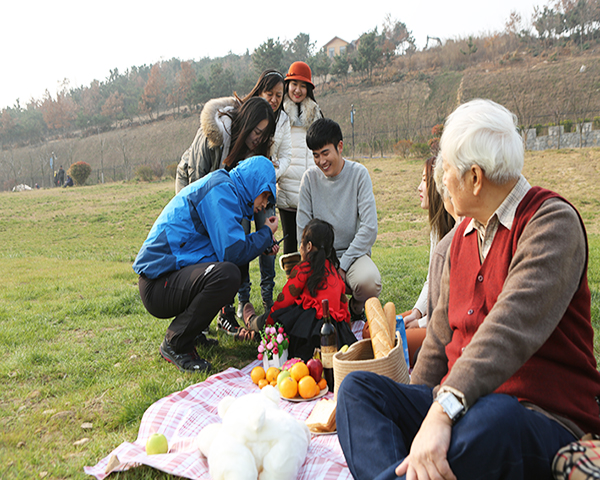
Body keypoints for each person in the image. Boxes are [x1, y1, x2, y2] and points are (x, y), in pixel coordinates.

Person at [336, 99, 600, 480]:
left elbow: (508, 330)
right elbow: (439, 339)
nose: (442, 181)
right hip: (461, 408)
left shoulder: (551, 225)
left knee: (497, 415)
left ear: (474, 178)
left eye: (446, 171)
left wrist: (441, 412)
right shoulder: (457, 240)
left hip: (536, 415)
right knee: (358, 391)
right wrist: (424, 413)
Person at [133, 156, 280, 373]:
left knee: (228, 271)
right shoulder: (221, 190)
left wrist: (262, 243)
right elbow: (232, 253)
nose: (264, 204)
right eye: (265, 194)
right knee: (228, 274)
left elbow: (229, 247)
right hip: (157, 284)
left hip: (167, 279)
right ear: (253, 183)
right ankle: (176, 343)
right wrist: (266, 234)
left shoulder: (227, 192)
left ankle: (193, 335)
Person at [175, 95, 276, 334]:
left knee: (235, 240)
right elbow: (197, 182)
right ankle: (200, 316)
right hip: (196, 191)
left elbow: (257, 194)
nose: (258, 139)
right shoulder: (214, 135)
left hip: (228, 197)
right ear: (247, 122)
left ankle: (226, 311)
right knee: (204, 252)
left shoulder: (255, 152)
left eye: (264, 135)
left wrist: (265, 238)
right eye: (256, 131)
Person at [297, 118, 381, 322]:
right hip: (320, 256)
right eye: (315, 155)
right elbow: (303, 229)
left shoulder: (359, 174)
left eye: (325, 153)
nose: (321, 161)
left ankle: (355, 308)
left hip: (353, 254)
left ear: (340, 147)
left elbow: (369, 228)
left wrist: (343, 264)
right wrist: (319, 263)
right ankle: (328, 316)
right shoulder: (309, 179)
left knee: (369, 282)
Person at [240, 218, 357, 360]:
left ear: (308, 246)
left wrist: (271, 324)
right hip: (333, 337)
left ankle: (253, 326)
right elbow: (344, 307)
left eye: (301, 243)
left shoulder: (303, 269)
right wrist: (346, 332)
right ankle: (254, 326)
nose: (299, 247)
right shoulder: (335, 274)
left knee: (283, 314)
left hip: (306, 334)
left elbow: (284, 300)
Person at [236, 69, 292, 318]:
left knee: (268, 238)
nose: (274, 99)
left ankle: (268, 296)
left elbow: (287, 155)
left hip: (267, 189)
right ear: (260, 91)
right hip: (241, 190)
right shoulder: (248, 113)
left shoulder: (282, 120)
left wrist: (274, 170)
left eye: (279, 95)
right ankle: (243, 298)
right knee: (240, 240)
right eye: (270, 93)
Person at [403, 156, 456, 367]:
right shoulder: (437, 229)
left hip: (443, 324)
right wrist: (416, 312)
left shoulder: (456, 234)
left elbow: (453, 305)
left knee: (395, 340)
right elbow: (430, 282)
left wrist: (421, 323)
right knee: (376, 329)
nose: (419, 187)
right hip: (432, 316)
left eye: (424, 180)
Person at [277, 61, 322, 260]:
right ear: (287, 85)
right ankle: (291, 286)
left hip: (310, 189)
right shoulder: (279, 115)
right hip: (286, 187)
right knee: (290, 244)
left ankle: (312, 283)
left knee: (311, 241)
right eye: (294, 84)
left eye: (303, 85)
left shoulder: (316, 115)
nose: (298, 90)